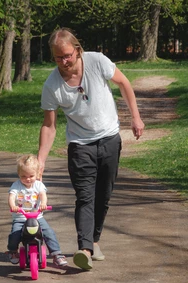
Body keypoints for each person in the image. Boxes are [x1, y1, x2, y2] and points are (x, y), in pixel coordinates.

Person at [37, 28, 145, 270]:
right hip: (79, 145)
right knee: (85, 197)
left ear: (77, 50)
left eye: (67, 55)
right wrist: (41, 159)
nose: (64, 62)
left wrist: (135, 117)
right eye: (57, 57)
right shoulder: (52, 85)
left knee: (103, 196)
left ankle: (94, 240)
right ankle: (84, 249)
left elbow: (124, 83)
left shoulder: (97, 62)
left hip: (109, 139)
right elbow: (49, 125)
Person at [7, 154, 68, 267]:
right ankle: (13, 251)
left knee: (48, 232)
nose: (28, 179)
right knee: (15, 234)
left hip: (37, 217)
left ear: (38, 174)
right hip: (21, 217)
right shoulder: (16, 185)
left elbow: (42, 195)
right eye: (23, 176)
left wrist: (43, 203)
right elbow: (11, 197)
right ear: (19, 174)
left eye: (31, 175)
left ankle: (56, 254)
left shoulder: (39, 185)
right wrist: (13, 206)